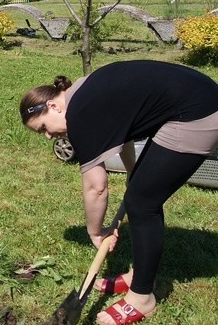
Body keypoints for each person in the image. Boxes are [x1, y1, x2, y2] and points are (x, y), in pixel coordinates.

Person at [19, 60, 218, 325]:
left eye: (43, 127)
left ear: (53, 106)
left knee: (142, 204)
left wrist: (95, 231)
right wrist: (133, 175)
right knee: (140, 194)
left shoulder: (79, 116)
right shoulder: (83, 91)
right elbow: (122, 135)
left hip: (197, 113)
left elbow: (96, 187)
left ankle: (142, 298)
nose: (47, 136)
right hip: (194, 101)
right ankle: (140, 276)